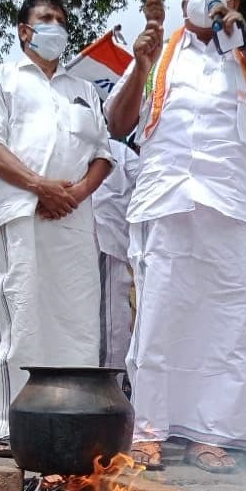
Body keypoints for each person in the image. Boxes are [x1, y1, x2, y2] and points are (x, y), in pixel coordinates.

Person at [106, 0, 246, 473]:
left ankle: (213, 435)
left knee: (229, 323)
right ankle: (149, 431)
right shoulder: (159, 54)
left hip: (231, 205)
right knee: (160, 320)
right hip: (166, 202)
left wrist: (244, 44)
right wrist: (140, 66)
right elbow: (117, 122)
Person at [0, 0, 113, 456]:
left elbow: (102, 156)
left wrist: (72, 194)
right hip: (23, 213)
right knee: (24, 317)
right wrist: (41, 187)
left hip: (74, 219)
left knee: (77, 323)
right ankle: (8, 425)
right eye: (45, 18)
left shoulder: (84, 90)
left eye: (60, 18)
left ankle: (74, 421)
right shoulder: (1, 78)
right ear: (24, 30)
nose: (54, 24)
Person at [92, 138, 140, 381]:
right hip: (87, 245)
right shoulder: (117, 151)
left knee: (109, 329)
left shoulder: (121, 153)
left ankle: (108, 394)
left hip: (109, 247)